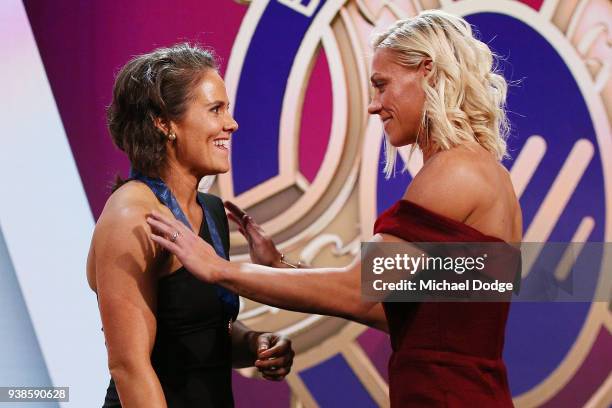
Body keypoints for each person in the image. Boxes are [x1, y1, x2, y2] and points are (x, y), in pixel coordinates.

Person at [147, 10, 522, 407]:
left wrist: (220, 268)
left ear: (427, 71)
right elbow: (404, 316)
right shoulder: (485, 173)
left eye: (382, 85)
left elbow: (356, 290)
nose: (374, 106)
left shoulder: (454, 171)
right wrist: (282, 269)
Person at [86, 43, 294, 408]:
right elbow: (129, 368)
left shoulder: (212, 210)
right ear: (164, 122)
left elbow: (196, 334)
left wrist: (253, 344)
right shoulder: (130, 217)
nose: (231, 124)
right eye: (216, 110)